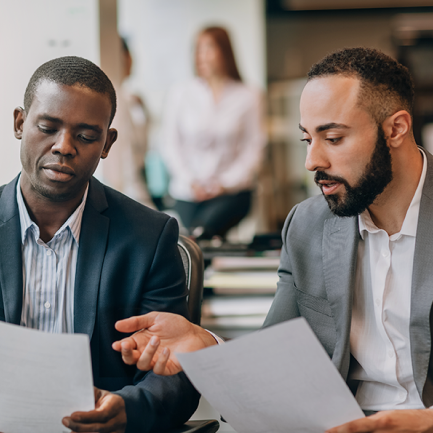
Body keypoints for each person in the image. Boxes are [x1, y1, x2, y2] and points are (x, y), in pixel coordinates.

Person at [113, 47, 433, 432]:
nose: (312, 161)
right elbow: (272, 370)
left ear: (396, 129)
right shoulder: (308, 225)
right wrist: (207, 347)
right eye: (307, 139)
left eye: (332, 138)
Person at [0, 56, 199, 433]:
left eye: (86, 136)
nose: (64, 146)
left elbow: (176, 369)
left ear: (107, 143)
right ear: (19, 123)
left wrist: (127, 408)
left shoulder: (149, 237)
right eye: (47, 127)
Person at [162, 26, 266, 239]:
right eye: (197, 49)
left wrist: (224, 184)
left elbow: (254, 147)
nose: (201, 56)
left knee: (201, 234)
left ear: (225, 52)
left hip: (231, 193)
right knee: (197, 237)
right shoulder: (180, 93)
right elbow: (170, 143)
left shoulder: (249, 95)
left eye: (209, 48)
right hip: (188, 191)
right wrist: (191, 181)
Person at [101, 37, 154, 208]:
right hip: (126, 190)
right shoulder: (114, 97)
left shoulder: (130, 98)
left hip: (131, 186)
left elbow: (142, 150)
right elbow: (125, 158)